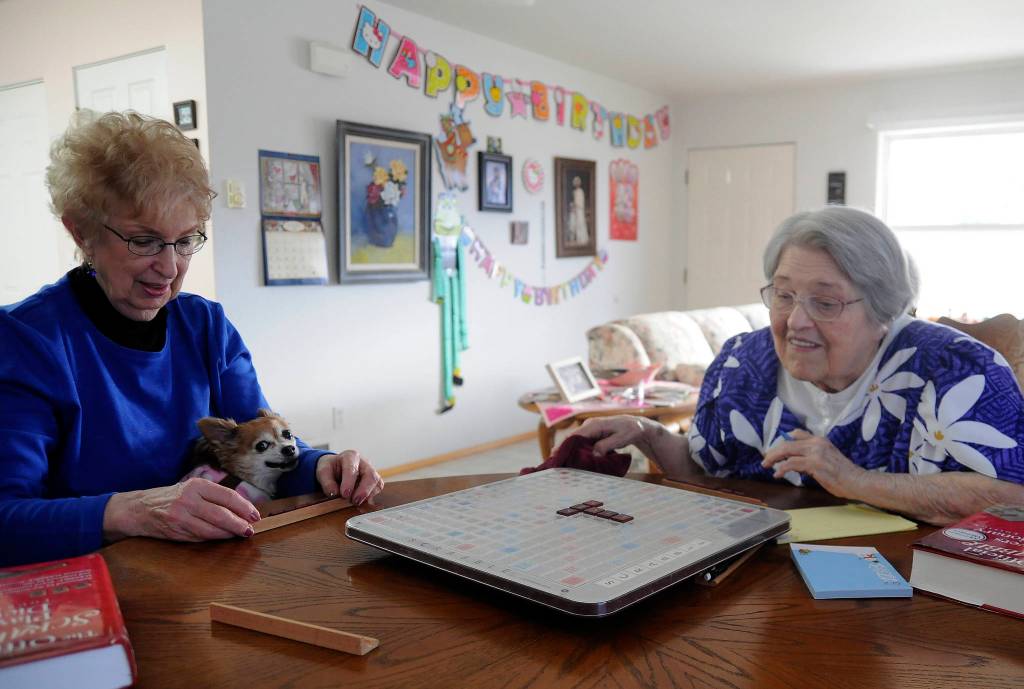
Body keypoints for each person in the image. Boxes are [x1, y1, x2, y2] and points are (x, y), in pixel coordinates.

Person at [0, 112, 384, 567]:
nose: (169, 267)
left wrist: (321, 465)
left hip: (210, 576)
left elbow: (252, 448)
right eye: (144, 241)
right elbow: (8, 520)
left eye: (185, 241)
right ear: (80, 231)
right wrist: (130, 511)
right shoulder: (25, 341)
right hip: (91, 591)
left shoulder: (205, 326)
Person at [575, 206, 1024, 525]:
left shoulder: (958, 368)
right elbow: (703, 472)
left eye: (825, 302)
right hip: (761, 589)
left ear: (885, 311)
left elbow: (1012, 501)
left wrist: (853, 480)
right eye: (784, 294)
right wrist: (648, 434)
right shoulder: (740, 363)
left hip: (912, 602)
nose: (795, 321)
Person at [567, 175, 589, 245]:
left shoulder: (580, 191)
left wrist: (575, 205)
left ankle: (581, 238)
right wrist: (572, 205)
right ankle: (573, 238)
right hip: (575, 210)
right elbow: (574, 200)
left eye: (577, 182)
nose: (576, 184)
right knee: (573, 223)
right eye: (575, 182)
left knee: (580, 223)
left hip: (579, 210)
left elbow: (580, 202)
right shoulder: (574, 192)